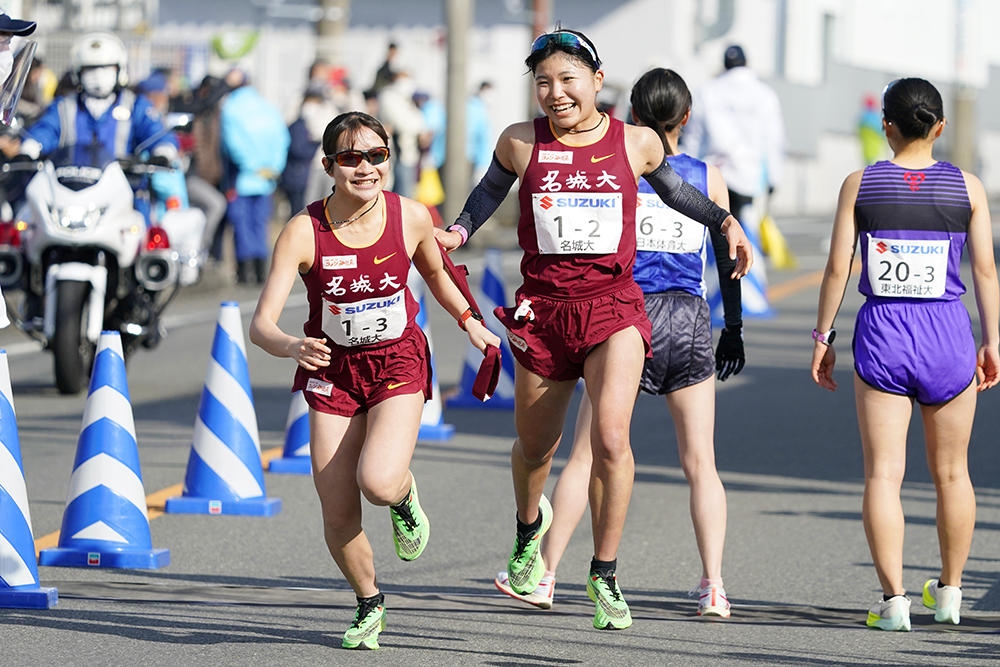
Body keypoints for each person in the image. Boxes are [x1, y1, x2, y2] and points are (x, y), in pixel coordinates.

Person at [436, 29, 752, 630]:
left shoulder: (634, 144)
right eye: (543, 83)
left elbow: (682, 195)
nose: (555, 94)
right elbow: (487, 194)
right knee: (537, 449)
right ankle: (530, 527)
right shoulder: (519, 142)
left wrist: (728, 222)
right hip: (545, 312)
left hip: (614, 306)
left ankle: (604, 571)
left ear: (598, 82)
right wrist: (458, 231)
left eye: (567, 80)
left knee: (610, 439)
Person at [248, 110, 500, 650]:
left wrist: (471, 322)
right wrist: (293, 345)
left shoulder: (409, 216)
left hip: (396, 361)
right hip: (332, 372)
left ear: (390, 159)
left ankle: (404, 497)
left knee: (379, 480)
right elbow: (260, 326)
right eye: (350, 158)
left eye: (376, 156)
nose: (364, 168)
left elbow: (435, 272)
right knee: (336, 506)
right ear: (329, 165)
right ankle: (369, 601)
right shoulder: (303, 230)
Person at [811, 77, 999, 631]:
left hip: (884, 334)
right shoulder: (968, 187)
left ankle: (893, 602)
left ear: (886, 126)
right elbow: (985, 269)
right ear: (939, 127)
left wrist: (823, 338)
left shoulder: (860, 184)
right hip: (948, 336)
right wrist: (992, 340)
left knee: (884, 476)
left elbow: (837, 267)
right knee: (952, 474)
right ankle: (951, 594)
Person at [219, 67, 290, 285]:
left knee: (242, 223)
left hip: (242, 176)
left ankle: (245, 270)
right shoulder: (267, 107)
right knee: (261, 222)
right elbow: (282, 139)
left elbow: (233, 144)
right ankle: (261, 270)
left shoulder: (230, 108)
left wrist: (251, 165)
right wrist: (273, 167)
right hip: (267, 177)